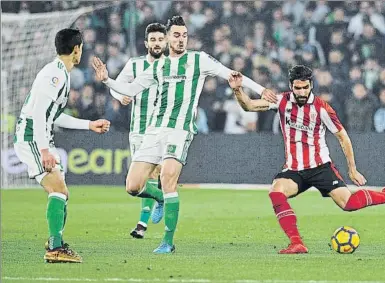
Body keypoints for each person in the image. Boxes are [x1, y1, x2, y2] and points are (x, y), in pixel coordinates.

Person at [92, 16, 275, 254]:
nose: (181, 40)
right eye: (176, 35)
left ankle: (167, 241)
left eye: (184, 35)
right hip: (154, 130)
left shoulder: (198, 60)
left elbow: (232, 74)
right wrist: (107, 79)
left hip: (180, 130)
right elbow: (130, 90)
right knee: (133, 186)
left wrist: (261, 90)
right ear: (168, 38)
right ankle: (158, 199)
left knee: (168, 178)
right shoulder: (157, 66)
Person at [227, 65, 385, 254]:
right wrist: (237, 89)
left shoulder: (322, 109)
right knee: (276, 191)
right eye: (298, 88)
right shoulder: (281, 101)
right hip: (294, 170)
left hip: (320, 167)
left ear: (311, 85)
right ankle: (296, 243)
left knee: (348, 204)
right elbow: (249, 105)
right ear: (291, 86)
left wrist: (352, 169)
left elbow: (343, 137)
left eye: (305, 87)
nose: (302, 92)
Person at [13, 28, 110, 263]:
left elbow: (53, 116)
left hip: (40, 137)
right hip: (32, 138)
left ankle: (55, 242)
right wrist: (44, 149)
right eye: (81, 48)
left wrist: (88, 125)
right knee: (58, 189)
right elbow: (37, 113)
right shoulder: (54, 76)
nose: (82, 52)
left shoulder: (61, 73)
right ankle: (55, 248)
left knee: (62, 192)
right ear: (76, 49)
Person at [109, 23, 167, 239]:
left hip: (163, 129)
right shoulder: (134, 65)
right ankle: (161, 198)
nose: (157, 43)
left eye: (160, 39)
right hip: (139, 130)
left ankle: (142, 224)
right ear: (146, 43)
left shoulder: (172, 66)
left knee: (153, 173)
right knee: (139, 182)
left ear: (166, 42)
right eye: (152, 40)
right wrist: (120, 96)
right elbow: (116, 86)